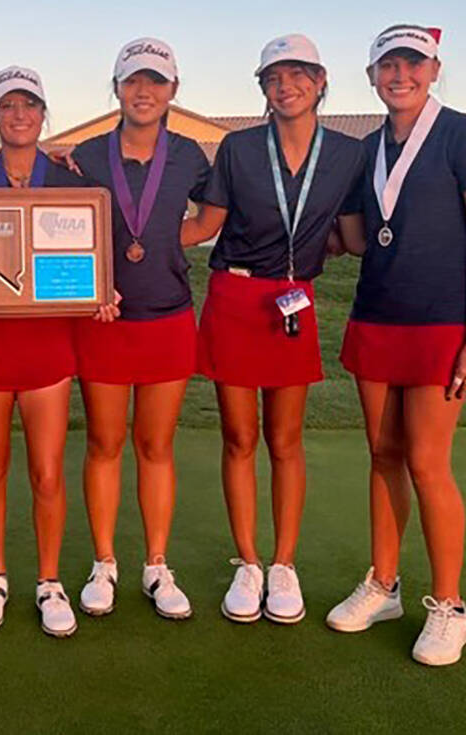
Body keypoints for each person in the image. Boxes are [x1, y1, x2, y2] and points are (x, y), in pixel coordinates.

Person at [328, 24, 466, 667]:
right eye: (388, 65)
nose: (399, 74)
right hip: (377, 317)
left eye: (412, 63)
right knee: (383, 454)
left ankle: (449, 606)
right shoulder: (367, 148)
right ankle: (384, 584)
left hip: (443, 325)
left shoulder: (464, 134)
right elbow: (352, 237)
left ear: (433, 69)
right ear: (372, 74)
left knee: (427, 463)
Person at [181, 34, 367, 624]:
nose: (285, 86)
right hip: (235, 296)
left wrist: (324, 247)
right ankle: (249, 563)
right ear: (262, 88)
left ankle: (284, 565)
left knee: (285, 440)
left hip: (294, 302)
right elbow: (205, 223)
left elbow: (355, 236)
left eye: (297, 75)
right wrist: (119, 230)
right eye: (273, 77)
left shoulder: (348, 154)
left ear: (320, 81)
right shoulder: (237, 148)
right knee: (239, 437)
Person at [0, 67, 117, 637]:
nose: (19, 115)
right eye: (8, 106)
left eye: (30, 105)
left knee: (46, 471)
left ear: (44, 114)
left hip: (48, 347)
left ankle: (48, 581)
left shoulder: (71, 184)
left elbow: (88, 258)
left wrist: (101, 288)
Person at [68, 38, 212, 620]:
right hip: (105, 322)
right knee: (104, 443)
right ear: (117, 88)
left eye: (155, 81)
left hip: (169, 316)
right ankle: (105, 563)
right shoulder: (86, 155)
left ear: (173, 90)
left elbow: (209, 219)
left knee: (155, 445)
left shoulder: (190, 157)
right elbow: (69, 229)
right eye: (133, 81)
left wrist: (156, 242)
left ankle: (156, 565)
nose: (144, 91)